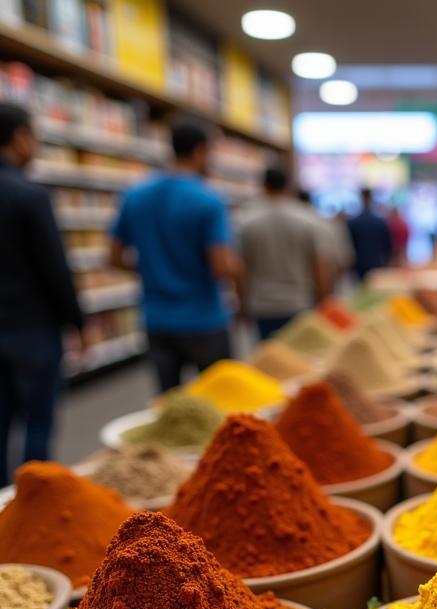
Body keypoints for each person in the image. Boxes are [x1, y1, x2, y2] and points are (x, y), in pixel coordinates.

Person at [110, 121, 241, 392]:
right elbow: (220, 266)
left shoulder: (135, 195)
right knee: (219, 402)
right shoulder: (208, 199)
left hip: (156, 319)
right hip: (204, 318)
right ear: (200, 151)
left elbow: (113, 257)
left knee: (170, 408)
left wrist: (151, 270)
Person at [0, 102, 85, 486]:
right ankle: (34, 500)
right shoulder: (29, 196)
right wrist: (76, 320)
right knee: (38, 420)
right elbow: (54, 267)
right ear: (19, 138)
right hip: (32, 328)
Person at [237, 168, 333, 340]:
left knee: (268, 358)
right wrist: (323, 300)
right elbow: (319, 265)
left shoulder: (245, 220)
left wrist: (242, 303)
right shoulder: (308, 219)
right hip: (299, 301)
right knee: (298, 359)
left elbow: (240, 268)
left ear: (263, 185)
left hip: (262, 304)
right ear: (288, 186)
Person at [346, 187, 392, 281]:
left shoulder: (353, 222)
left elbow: (348, 245)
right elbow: (387, 246)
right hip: (375, 263)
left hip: (358, 264)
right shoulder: (379, 222)